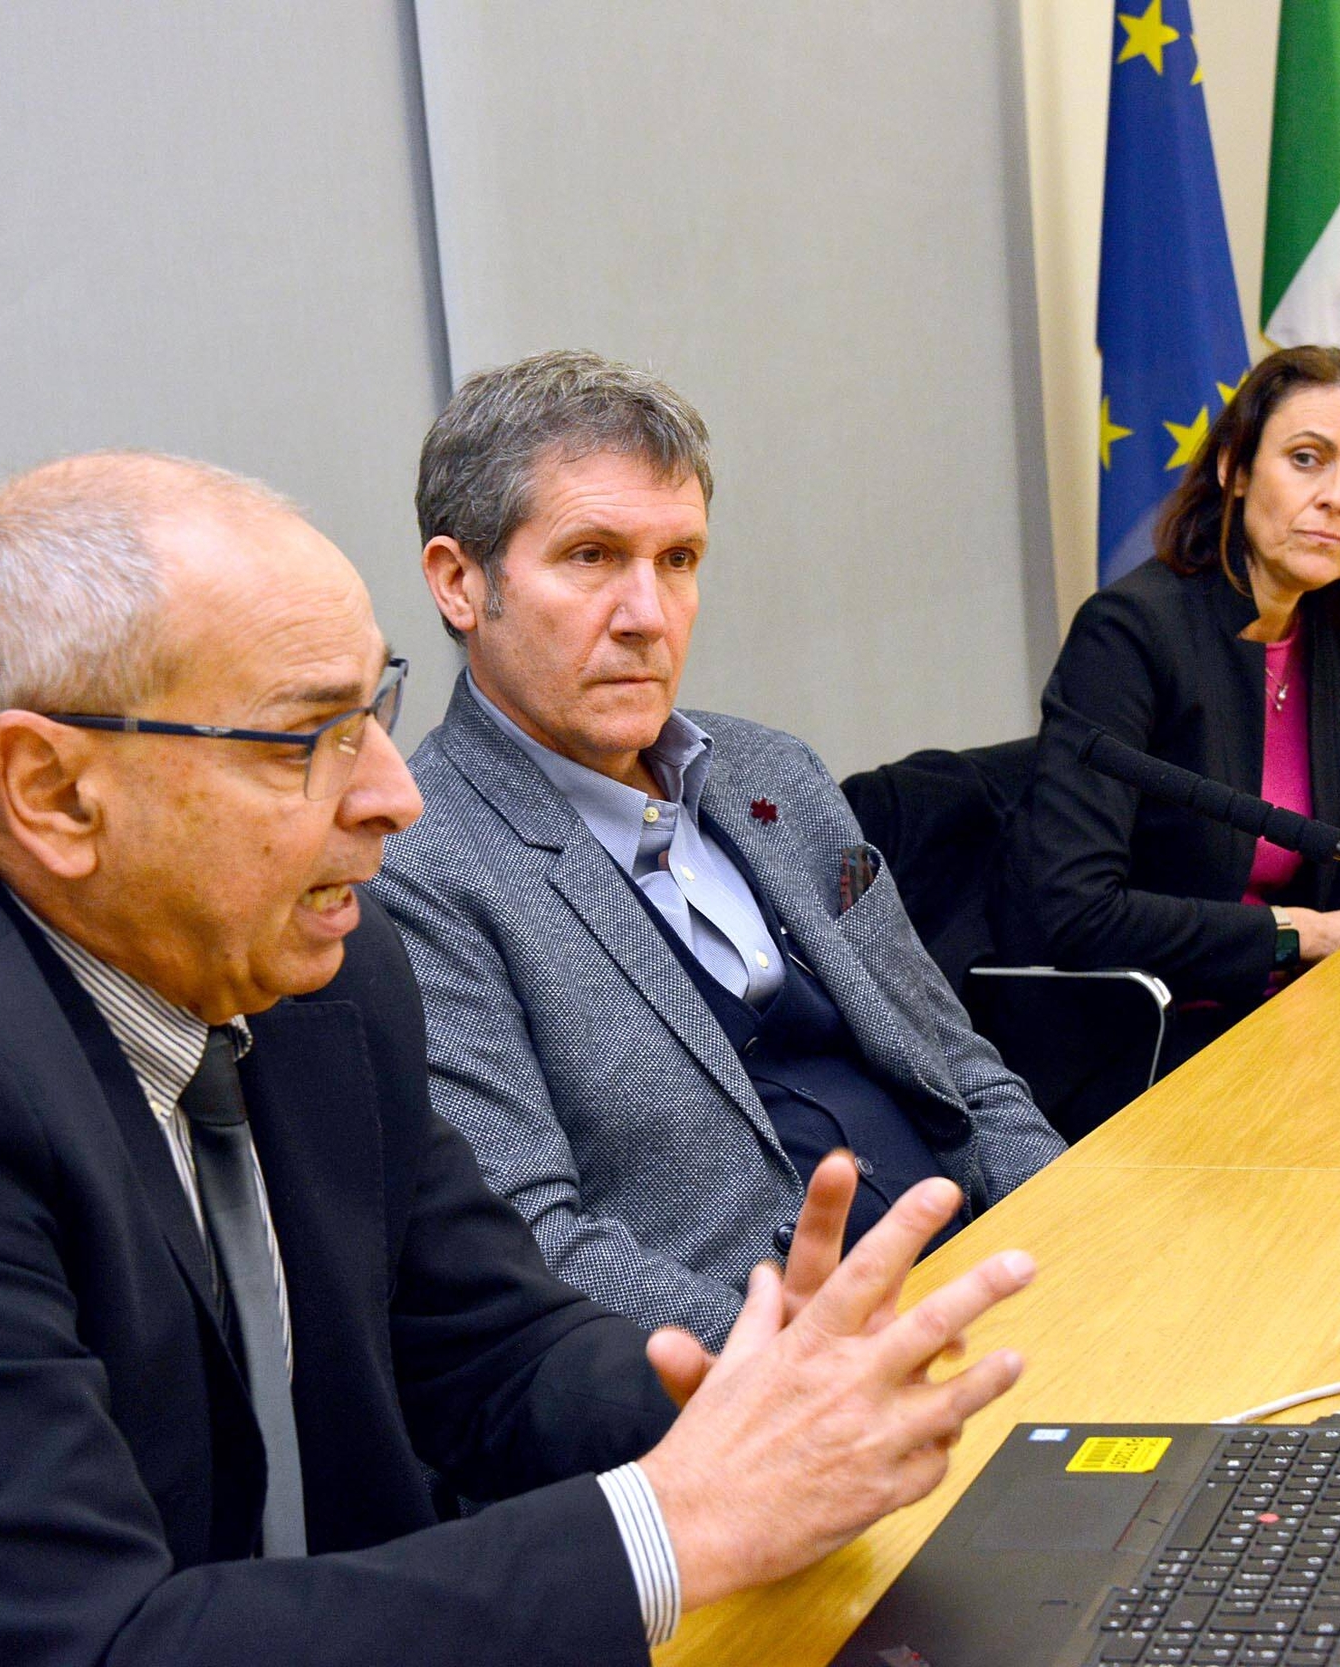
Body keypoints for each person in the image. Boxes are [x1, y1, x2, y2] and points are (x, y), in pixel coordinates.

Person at [0, 453, 1038, 1667]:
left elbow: (492, 1349)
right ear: (53, 787)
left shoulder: (320, 966)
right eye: (308, 738)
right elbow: (95, 1643)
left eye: (374, 710)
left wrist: (748, 1404)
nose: (397, 795)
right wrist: (672, 1524)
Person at [371, 351, 1063, 1347]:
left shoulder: (769, 770)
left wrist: (1071, 1230)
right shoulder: (420, 866)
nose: (647, 616)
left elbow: (959, 1068)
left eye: (678, 560)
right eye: (591, 556)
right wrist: (809, 1369)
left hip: (984, 1283)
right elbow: (542, 1249)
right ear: (458, 583)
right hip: (769, 1382)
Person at [991, 346, 1340, 1057]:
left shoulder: (1339, 633)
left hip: (1303, 1010)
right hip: (1152, 1035)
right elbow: (1077, 908)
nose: (1338, 498)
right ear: (1233, 466)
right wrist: (1303, 934)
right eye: (1306, 458)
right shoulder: (1132, 633)